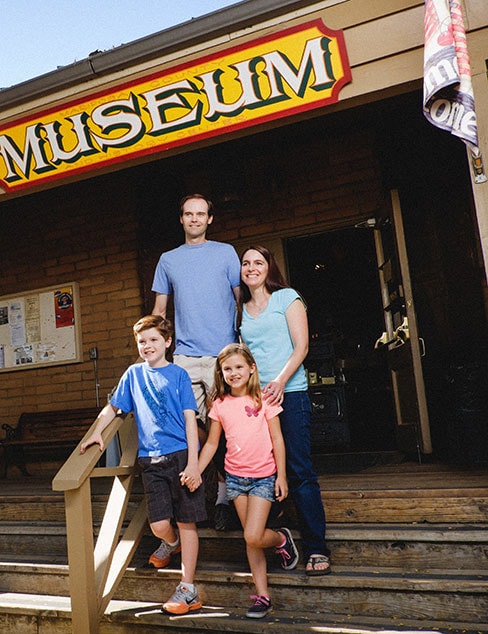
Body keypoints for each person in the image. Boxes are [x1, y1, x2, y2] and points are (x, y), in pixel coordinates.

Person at [80, 315, 206, 615]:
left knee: (187, 522)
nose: (147, 346)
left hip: (180, 456)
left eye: (153, 340)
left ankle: (187, 587)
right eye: (142, 341)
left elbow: (190, 419)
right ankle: (170, 543)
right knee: (159, 524)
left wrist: (194, 464)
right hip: (151, 460)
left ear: (167, 342)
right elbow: (114, 407)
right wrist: (97, 430)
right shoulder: (133, 374)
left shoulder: (178, 375)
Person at [237, 245, 331, 576]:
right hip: (256, 402)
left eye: (258, 262)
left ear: (269, 267)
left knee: (299, 468)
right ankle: (277, 539)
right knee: (263, 470)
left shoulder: (287, 298)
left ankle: (317, 548)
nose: (251, 267)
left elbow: (301, 346)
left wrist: (278, 381)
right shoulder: (242, 310)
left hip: (289, 394)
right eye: (246, 263)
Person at [152, 193, 241, 532]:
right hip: (186, 358)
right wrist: (153, 356)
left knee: (229, 428)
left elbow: (240, 302)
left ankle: (224, 497)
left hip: (224, 356)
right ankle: (193, 500)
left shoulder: (225, 253)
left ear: (210, 219)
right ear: (181, 219)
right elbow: (159, 312)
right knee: (191, 429)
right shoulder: (168, 259)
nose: (194, 219)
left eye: (200, 214)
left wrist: (242, 350)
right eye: (188, 214)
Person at [194, 342, 299, 618]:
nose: (233, 373)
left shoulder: (264, 399)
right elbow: (212, 444)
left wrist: (282, 476)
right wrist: (195, 469)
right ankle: (263, 596)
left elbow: (278, 439)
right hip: (236, 479)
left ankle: (280, 539)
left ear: (251, 368)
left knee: (253, 535)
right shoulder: (219, 404)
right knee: (250, 540)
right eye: (227, 369)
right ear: (221, 373)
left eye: (239, 367)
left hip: (264, 476)